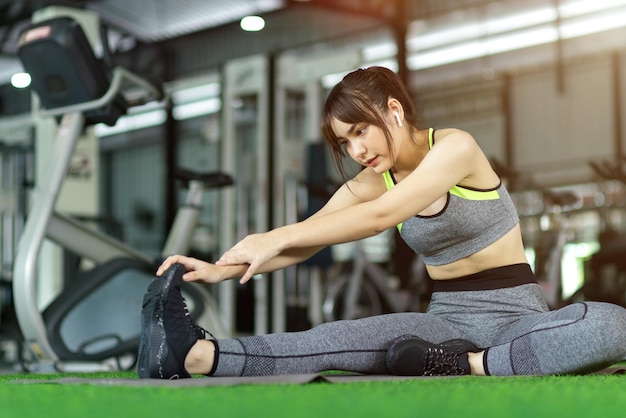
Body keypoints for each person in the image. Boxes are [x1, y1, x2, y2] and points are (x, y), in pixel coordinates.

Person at [138, 66, 626, 379]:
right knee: (333, 340)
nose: (357, 151)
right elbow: (306, 242)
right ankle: (199, 356)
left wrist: (273, 235)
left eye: (360, 132)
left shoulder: (455, 148)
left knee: (611, 325)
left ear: (393, 110)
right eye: (345, 143)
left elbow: (382, 218)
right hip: (443, 324)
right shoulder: (373, 179)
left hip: (519, 319)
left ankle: (469, 366)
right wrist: (220, 269)